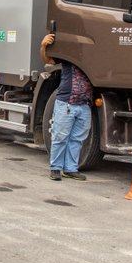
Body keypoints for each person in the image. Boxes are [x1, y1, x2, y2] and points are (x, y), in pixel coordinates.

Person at [40, 33, 92, 181]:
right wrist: (43, 46)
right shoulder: (68, 58)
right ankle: (55, 168)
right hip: (66, 103)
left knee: (77, 139)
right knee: (60, 137)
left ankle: (70, 169)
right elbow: (48, 60)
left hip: (84, 104)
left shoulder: (92, 60)